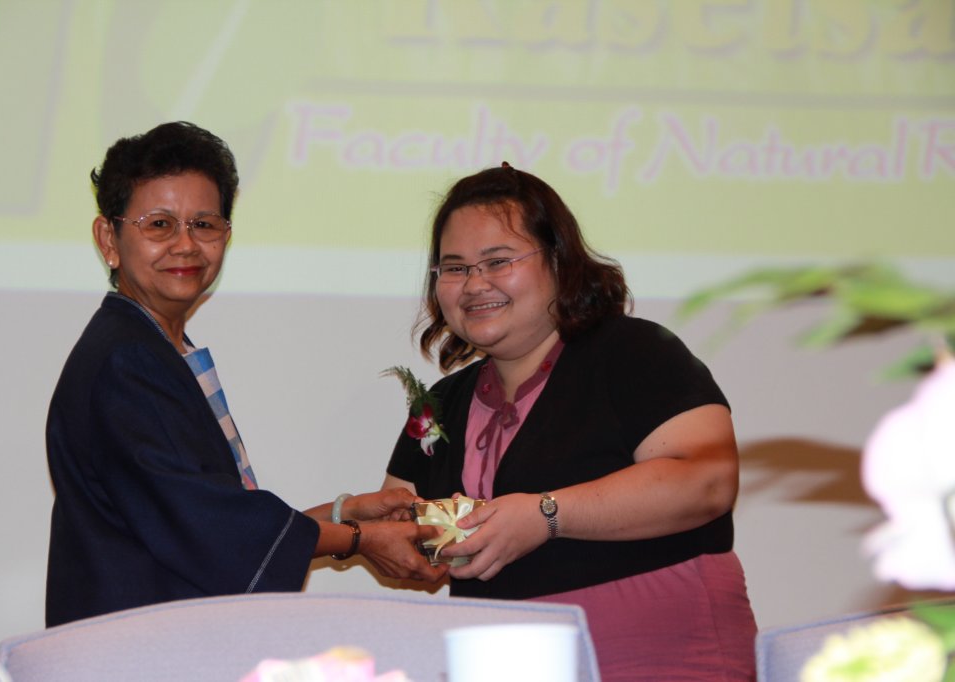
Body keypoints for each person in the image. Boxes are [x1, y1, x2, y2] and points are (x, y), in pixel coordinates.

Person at [45, 121, 445, 628]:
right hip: (135, 648)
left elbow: (219, 519)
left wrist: (344, 514)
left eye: (204, 224)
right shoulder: (126, 360)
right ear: (109, 238)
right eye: (159, 224)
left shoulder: (157, 348)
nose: (186, 244)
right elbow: (209, 526)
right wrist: (359, 538)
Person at [384, 164, 757, 680]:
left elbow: (706, 481)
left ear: (559, 261)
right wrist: (402, 545)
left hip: (660, 655)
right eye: (454, 268)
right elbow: (396, 518)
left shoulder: (634, 352)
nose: (474, 284)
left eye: (498, 261)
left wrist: (545, 515)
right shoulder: (441, 403)